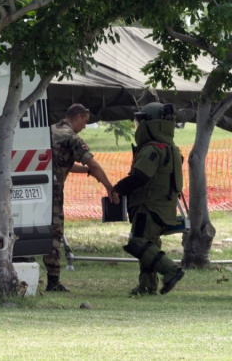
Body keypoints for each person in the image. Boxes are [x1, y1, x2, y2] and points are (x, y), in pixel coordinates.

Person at [112, 102, 185, 295]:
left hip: (148, 205)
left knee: (137, 242)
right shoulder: (171, 148)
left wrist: (118, 189)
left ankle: (171, 270)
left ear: (150, 124)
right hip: (163, 206)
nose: (138, 126)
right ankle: (147, 286)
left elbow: (140, 176)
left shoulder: (152, 149)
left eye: (140, 122)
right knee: (150, 245)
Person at [45, 103, 118, 292]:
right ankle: (53, 282)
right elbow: (93, 164)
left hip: (39, 189)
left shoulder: (50, 131)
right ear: (77, 117)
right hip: (53, 192)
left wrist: (85, 171)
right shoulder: (72, 138)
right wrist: (109, 187)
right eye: (85, 122)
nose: (85, 126)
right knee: (55, 234)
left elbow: (63, 163)